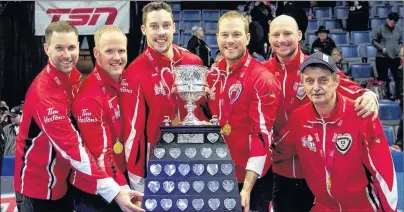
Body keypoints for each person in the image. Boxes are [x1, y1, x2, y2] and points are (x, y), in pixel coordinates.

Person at [13, 21, 143, 212]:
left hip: (64, 183)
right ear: (46, 49)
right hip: (38, 188)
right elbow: (73, 148)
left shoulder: (73, 80)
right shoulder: (45, 93)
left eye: (72, 47)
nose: (67, 55)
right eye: (59, 48)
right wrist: (116, 190)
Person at [263, 15, 379, 212]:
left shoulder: (315, 68)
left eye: (287, 33)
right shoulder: (262, 72)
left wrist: (368, 95)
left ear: (299, 35)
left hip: (316, 172)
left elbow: (346, 85)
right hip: (276, 171)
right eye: (276, 34)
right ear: (269, 37)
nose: (281, 39)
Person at [274, 52, 398, 212]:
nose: (316, 87)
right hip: (323, 207)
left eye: (323, 80)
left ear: (336, 81)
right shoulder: (299, 118)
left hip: (362, 206)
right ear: (303, 85)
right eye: (309, 81)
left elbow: (384, 173)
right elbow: (279, 150)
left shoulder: (361, 114)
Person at [120, 1, 203, 193]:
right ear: (143, 29)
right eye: (154, 26)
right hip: (158, 165)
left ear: (174, 27)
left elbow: (203, 113)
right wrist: (137, 181)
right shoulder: (134, 73)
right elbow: (133, 132)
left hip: (196, 160)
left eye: (166, 26)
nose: (161, 33)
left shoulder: (193, 61)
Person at [206, 11, 280, 212]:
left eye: (236, 35)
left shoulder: (262, 79)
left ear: (247, 38)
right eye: (225, 35)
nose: (230, 41)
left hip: (253, 180)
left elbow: (262, 136)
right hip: (218, 174)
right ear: (217, 37)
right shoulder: (212, 75)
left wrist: (247, 188)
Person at [70, 26, 138, 212]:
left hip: (119, 178)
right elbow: (101, 155)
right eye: (109, 51)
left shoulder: (125, 81)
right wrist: (125, 189)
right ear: (96, 53)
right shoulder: (89, 97)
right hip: (95, 191)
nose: (117, 57)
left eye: (121, 51)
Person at [372, 12, 403, 101]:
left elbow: (401, 41)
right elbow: (373, 42)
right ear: (387, 20)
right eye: (392, 22)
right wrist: (382, 48)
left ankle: (399, 97)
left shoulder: (398, 30)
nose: (393, 24)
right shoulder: (379, 29)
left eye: (394, 23)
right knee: (383, 78)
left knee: (398, 78)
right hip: (382, 57)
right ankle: (385, 97)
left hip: (395, 56)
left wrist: (399, 49)